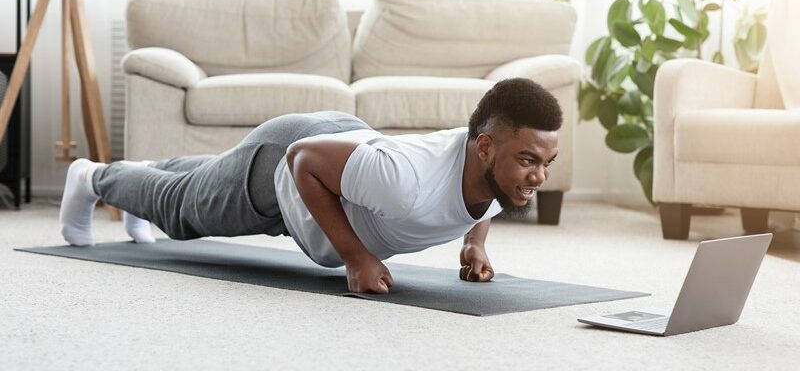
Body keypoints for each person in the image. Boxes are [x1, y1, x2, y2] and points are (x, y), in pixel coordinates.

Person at [59, 77, 562, 294]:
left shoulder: (492, 166)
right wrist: (355, 257)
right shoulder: (405, 181)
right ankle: (92, 177)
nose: (537, 178)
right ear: (484, 149)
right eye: (527, 161)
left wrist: (474, 242)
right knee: (183, 213)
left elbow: (490, 197)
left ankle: (142, 173)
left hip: (340, 154)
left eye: (547, 163)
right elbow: (301, 160)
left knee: (208, 177)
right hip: (290, 161)